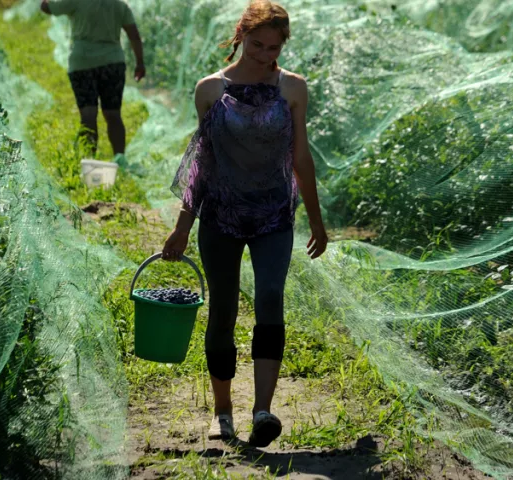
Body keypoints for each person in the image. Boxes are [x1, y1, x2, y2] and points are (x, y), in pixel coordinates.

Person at [162, 0, 327, 448]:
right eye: (257, 44)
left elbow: (301, 158)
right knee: (223, 309)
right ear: (241, 36)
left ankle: (263, 410)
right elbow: (203, 162)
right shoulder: (210, 91)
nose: (265, 54)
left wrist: (316, 219)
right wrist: (183, 225)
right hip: (221, 213)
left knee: (271, 297)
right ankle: (223, 414)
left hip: (274, 213)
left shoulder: (292, 88)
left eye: (274, 47)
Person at [40, 0, 145, 158]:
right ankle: (120, 158)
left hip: (82, 63)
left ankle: (88, 161)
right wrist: (140, 63)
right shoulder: (120, 5)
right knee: (113, 113)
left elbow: (46, 8)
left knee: (88, 115)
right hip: (112, 63)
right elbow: (134, 35)